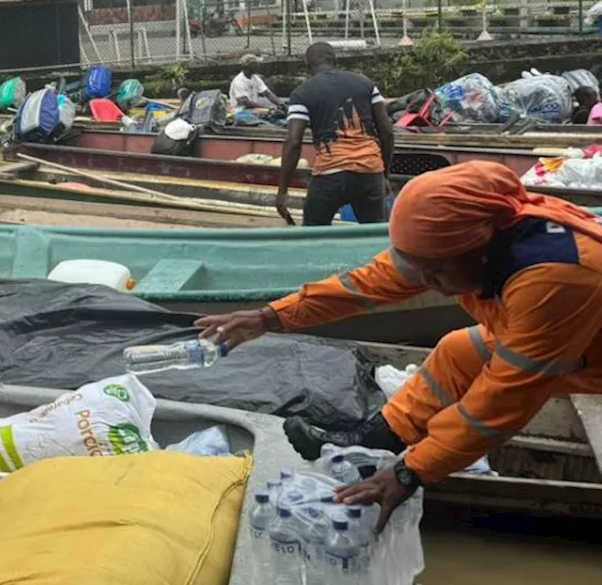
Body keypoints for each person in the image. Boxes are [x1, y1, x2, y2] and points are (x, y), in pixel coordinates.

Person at [195, 161, 602, 532]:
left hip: (589, 351)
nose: (424, 282)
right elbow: (363, 286)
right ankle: (375, 440)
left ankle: (398, 457)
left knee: (485, 388)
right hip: (568, 336)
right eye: (415, 269)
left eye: (433, 273)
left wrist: (412, 472)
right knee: (457, 350)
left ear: (479, 251)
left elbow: (499, 405)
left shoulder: (554, 278)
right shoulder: (454, 240)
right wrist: (268, 317)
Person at [278, 42, 395, 227]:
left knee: (313, 234)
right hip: (369, 172)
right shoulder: (365, 84)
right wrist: (384, 176)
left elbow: (293, 142)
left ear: (307, 65)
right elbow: (387, 132)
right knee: (372, 233)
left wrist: (282, 191)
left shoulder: (302, 93)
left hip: (330, 173)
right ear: (335, 60)